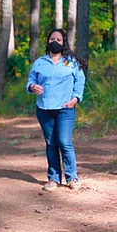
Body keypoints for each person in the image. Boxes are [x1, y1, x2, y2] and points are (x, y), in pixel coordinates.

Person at [26, 29, 86, 191]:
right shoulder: (40, 62)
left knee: (64, 142)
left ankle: (72, 177)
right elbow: (31, 80)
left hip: (65, 109)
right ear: (47, 42)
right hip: (44, 109)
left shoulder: (71, 63)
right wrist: (32, 87)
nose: (55, 41)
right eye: (52, 38)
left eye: (58, 39)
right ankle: (53, 179)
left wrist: (75, 99)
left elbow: (80, 81)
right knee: (51, 143)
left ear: (63, 43)